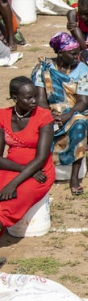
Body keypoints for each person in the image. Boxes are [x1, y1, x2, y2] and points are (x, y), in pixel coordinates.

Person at [31, 33, 88, 196]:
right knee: (39, 127)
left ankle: (74, 178)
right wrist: (49, 116)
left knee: (80, 124)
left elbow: (83, 100)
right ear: (60, 53)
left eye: (78, 53)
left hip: (74, 110)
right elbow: (40, 98)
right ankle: (43, 169)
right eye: (73, 54)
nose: (77, 57)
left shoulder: (82, 69)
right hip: (48, 111)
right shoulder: (44, 68)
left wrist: (68, 115)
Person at [0, 77, 55, 235]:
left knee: (9, 204)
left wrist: (14, 183)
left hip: (40, 172)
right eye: (29, 97)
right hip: (12, 167)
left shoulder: (44, 116)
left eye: (35, 96)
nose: (34, 101)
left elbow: (41, 158)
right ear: (15, 98)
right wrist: (21, 170)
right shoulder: (2, 116)